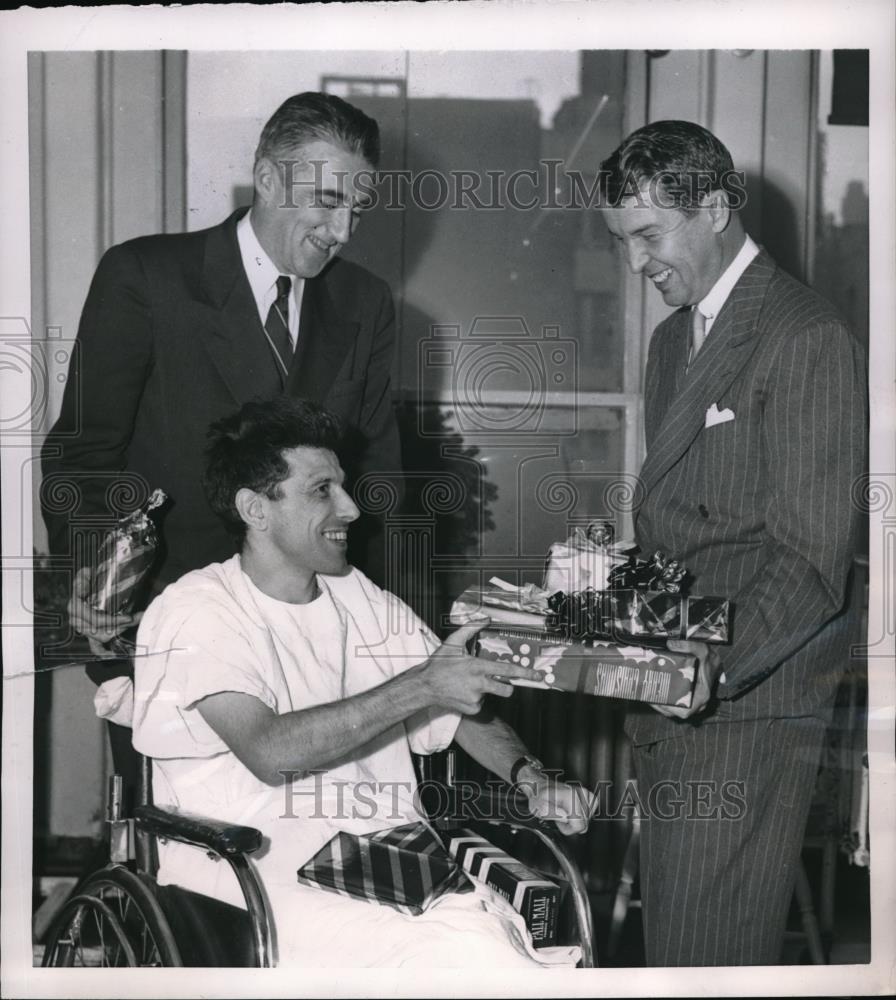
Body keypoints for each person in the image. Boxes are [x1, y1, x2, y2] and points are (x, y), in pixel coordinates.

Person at [130, 396, 590, 967]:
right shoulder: (198, 609)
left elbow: (459, 702)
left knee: (497, 941)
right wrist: (421, 686)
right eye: (322, 489)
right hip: (252, 864)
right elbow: (271, 752)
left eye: (343, 486)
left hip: (386, 855)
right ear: (255, 509)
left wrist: (530, 776)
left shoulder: (360, 596)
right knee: (460, 955)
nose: (350, 508)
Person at [40, 92, 401, 793]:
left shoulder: (365, 304)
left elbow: (379, 479)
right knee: (190, 866)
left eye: (359, 208)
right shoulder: (146, 277)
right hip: (169, 626)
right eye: (327, 201)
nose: (344, 229)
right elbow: (84, 455)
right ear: (266, 178)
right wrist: (95, 575)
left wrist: (395, 637)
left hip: (312, 638)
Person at [597, 120, 866, 966]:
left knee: (707, 956)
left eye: (649, 235)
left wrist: (709, 661)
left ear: (714, 208)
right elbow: (676, 519)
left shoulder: (806, 335)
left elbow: (811, 558)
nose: (637, 263)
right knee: (676, 942)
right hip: (672, 692)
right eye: (624, 240)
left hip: (748, 700)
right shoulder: (674, 338)